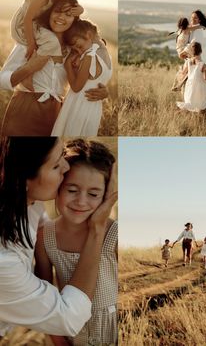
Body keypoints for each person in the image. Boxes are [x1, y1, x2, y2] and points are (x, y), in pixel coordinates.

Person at [0, 137, 117, 339]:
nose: (65, 167)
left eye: (63, 154)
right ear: (23, 180)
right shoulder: (5, 261)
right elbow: (67, 318)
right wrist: (96, 228)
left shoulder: (29, 205)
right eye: (55, 166)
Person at [35, 139, 118, 346]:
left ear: (106, 195)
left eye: (93, 194)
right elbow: (44, 300)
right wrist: (58, 340)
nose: (81, 201)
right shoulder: (45, 236)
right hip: (70, 332)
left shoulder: (114, 234)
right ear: (57, 187)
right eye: (72, 190)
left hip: (112, 330)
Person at [0, 0, 108, 136]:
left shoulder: (74, 50)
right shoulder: (32, 41)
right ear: (49, 13)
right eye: (57, 11)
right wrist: (29, 68)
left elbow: (82, 83)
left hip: (57, 115)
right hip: (25, 109)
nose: (61, 17)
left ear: (74, 19)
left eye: (68, 14)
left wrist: (102, 92)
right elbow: (2, 79)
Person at [11, 0, 83, 60]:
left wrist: (80, 9)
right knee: (52, 42)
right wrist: (31, 44)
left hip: (35, 23)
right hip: (22, 26)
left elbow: (69, 2)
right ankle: (39, 67)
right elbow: (27, 19)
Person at [51, 20, 112, 136]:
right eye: (75, 50)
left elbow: (76, 87)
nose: (79, 52)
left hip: (77, 108)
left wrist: (67, 65)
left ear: (88, 35)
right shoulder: (107, 57)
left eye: (79, 46)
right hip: (93, 109)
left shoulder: (89, 57)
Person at [176, 42, 206, 112]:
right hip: (200, 87)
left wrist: (180, 69)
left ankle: (182, 114)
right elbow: (205, 78)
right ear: (201, 51)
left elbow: (184, 73)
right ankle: (200, 119)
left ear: (191, 52)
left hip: (190, 86)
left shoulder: (189, 62)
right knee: (201, 105)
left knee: (190, 103)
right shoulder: (202, 64)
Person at [171, 10, 206, 92]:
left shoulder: (198, 30)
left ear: (199, 20)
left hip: (193, 56)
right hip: (189, 56)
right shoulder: (191, 28)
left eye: (195, 18)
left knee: (191, 82)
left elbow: (194, 44)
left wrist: (183, 52)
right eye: (192, 17)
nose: (193, 19)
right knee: (188, 78)